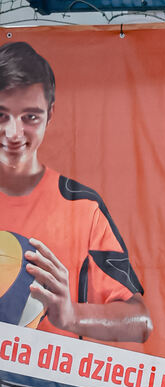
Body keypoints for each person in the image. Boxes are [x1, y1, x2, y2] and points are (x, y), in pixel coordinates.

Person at [0, 41, 150, 344]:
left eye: (30, 117)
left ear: (50, 114)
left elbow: (139, 322)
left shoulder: (81, 206)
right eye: (1, 115)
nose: (14, 133)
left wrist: (71, 315)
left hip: (43, 375)